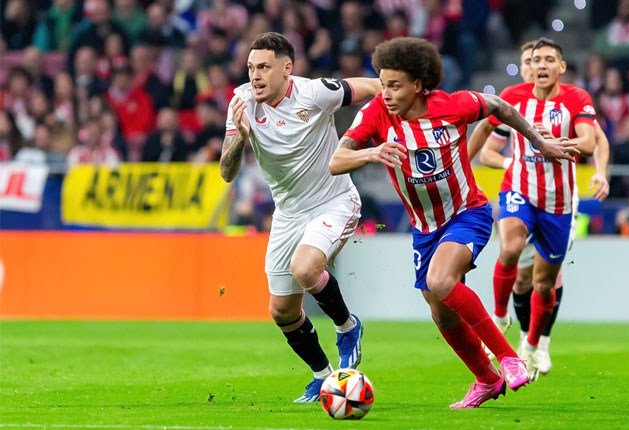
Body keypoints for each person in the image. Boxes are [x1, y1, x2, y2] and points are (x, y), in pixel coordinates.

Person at [329, 37, 577, 409]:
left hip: (467, 213)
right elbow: (336, 161)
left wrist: (539, 143)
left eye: (395, 85)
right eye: (382, 83)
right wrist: (372, 152)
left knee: (441, 281)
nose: (386, 93)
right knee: (440, 310)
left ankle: (508, 358)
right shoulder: (377, 112)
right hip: (424, 229)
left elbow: (500, 106)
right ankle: (487, 379)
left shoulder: (453, 105)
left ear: (418, 84)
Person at [220, 32, 381, 403]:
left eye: (264, 67)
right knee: (281, 311)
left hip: (333, 201)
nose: (255, 76)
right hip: (288, 213)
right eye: (250, 67)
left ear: (286, 69)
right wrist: (240, 138)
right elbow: (227, 173)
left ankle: (347, 327)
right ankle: (322, 377)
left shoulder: (315, 93)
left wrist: (385, 121)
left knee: (305, 269)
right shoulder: (241, 102)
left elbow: (376, 87)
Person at [469, 40, 610, 375]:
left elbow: (590, 141)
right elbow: (485, 129)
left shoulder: (576, 98)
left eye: (549, 59)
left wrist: (563, 149)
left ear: (562, 66)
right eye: (535, 60)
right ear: (528, 66)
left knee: (544, 283)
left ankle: (533, 345)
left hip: (559, 202)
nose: (541, 65)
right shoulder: (513, 96)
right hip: (519, 189)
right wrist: (462, 166)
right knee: (510, 249)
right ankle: (499, 318)